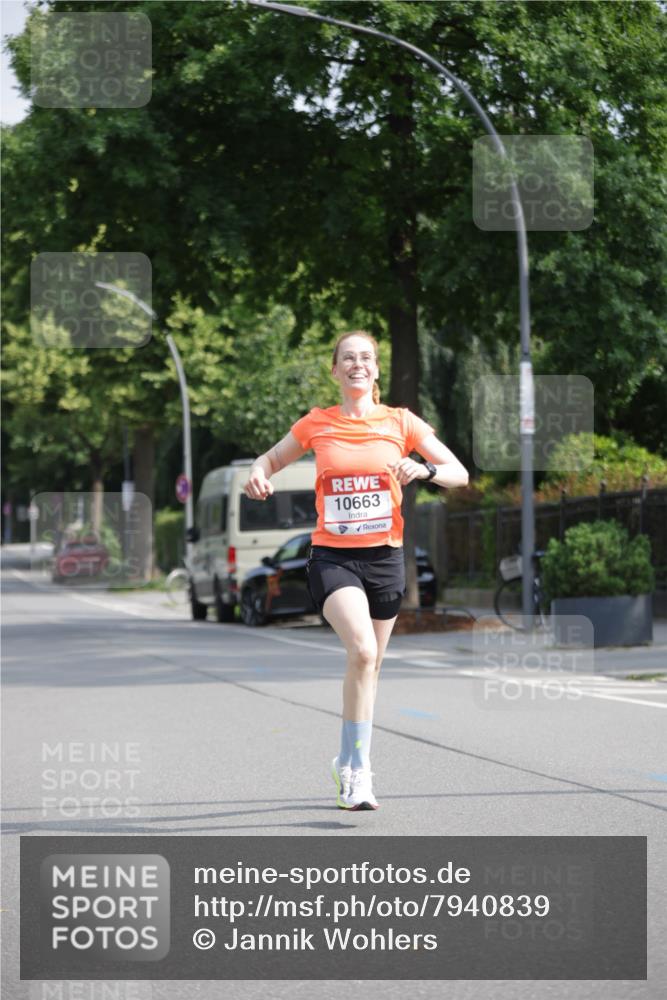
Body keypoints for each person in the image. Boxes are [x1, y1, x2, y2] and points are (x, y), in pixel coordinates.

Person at [243, 331, 468, 810]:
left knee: (370, 666)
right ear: (335, 370)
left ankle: (346, 758)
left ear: (377, 370)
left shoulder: (401, 422)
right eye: (348, 358)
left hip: (385, 558)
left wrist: (424, 471)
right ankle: (359, 775)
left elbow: (459, 472)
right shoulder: (316, 424)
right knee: (363, 652)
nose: (357, 364)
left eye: (366, 357)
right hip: (333, 557)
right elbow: (271, 458)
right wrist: (259, 473)